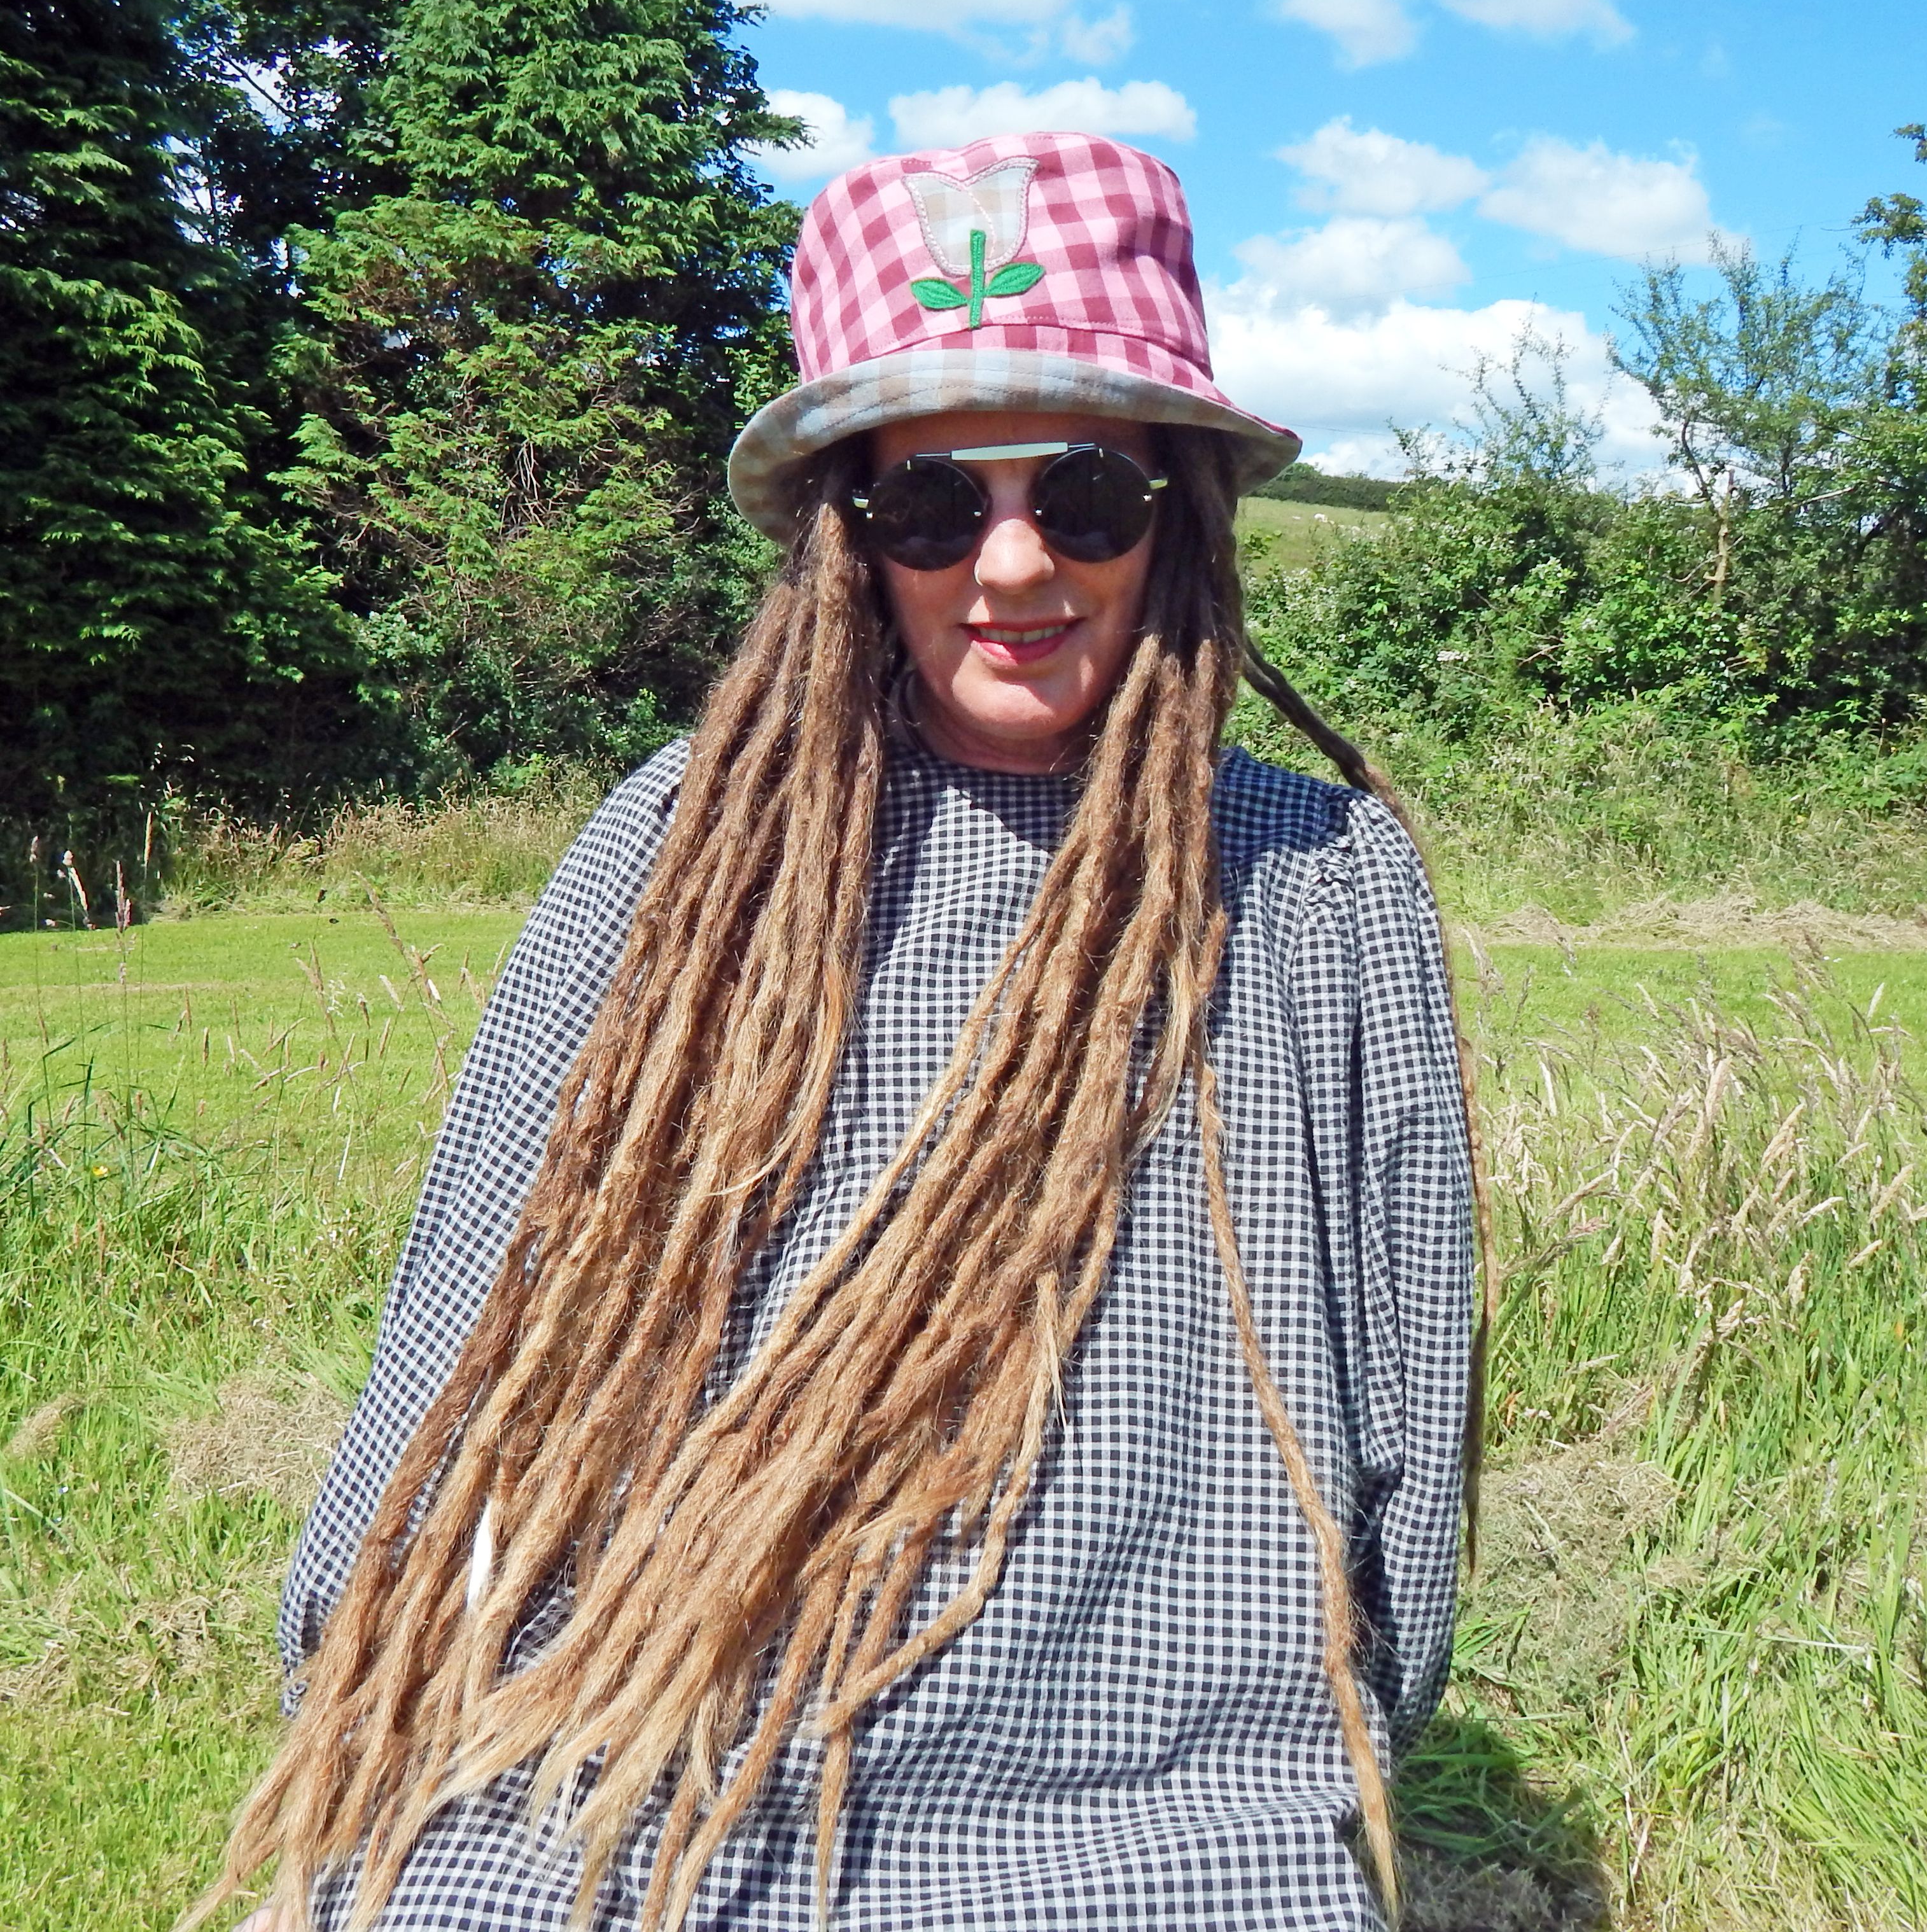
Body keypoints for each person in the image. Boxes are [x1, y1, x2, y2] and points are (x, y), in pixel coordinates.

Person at [195, 133, 1480, 1932]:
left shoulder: (1321, 885)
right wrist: (367, 1664)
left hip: (1165, 1822)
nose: (1016, 565)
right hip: (628, 1777)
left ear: (1182, 510)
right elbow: (469, 1320)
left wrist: (1336, 1762)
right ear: (845, 543)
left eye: (1089, 496)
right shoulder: (688, 849)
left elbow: (1412, 1433)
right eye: (934, 508)